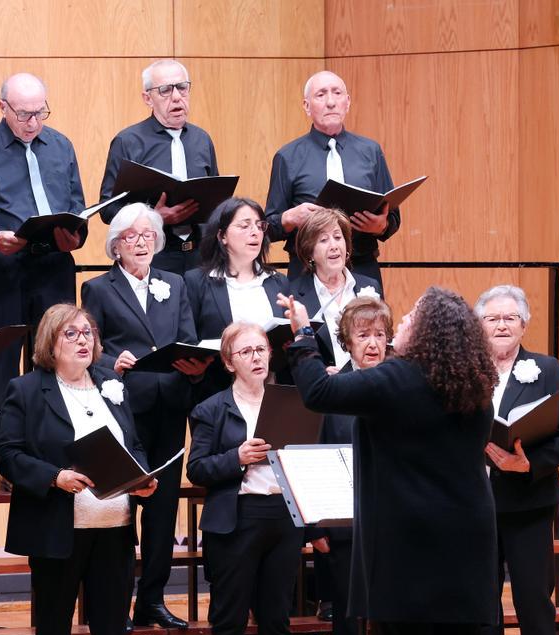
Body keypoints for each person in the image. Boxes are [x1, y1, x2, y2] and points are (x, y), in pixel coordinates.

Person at [279, 287, 498, 635]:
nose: (402, 322)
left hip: (407, 545)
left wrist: (303, 335)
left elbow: (319, 394)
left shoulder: (399, 379)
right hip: (468, 541)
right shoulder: (475, 382)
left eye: (412, 316)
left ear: (426, 332)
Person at [0, 303, 157, 635]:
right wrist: (54, 476)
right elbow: (8, 454)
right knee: (54, 626)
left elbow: (133, 445)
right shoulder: (27, 390)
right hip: (57, 528)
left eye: (88, 333)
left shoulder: (111, 384)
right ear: (50, 342)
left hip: (113, 525)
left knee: (110, 626)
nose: (84, 340)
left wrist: (141, 478)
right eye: (72, 334)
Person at [81, 203, 207, 629]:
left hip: (170, 405)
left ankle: (152, 599)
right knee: (124, 506)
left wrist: (194, 365)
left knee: (163, 508)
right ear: (115, 246)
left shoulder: (176, 283)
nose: (141, 242)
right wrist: (112, 362)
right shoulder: (97, 289)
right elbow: (90, 347)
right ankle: (117, 600)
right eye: (131, 237)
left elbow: (187, 339)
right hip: (125, 408)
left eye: (148, 235)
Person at [186, 322, 310, 635]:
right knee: (230, 617)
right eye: (245, 352)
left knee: (277, 616)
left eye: (261, 350)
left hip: (283, 515)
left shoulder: (292, 402)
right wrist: (236, 457)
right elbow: (198, 468)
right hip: (237, 519)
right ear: (228, 362)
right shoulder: (211, 409)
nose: (256, 357)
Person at [475, 285, 559, 635]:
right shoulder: (466, 369)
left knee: (534, 602)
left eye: (509, 318)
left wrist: (527, 462)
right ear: (479, 326)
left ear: (523, 324)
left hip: (529, 503)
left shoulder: (545, 369)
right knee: (482, 603)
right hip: (475, 505)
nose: (500, 325)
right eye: (492, 318)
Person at [0, 72, 87, 410]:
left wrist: (75, 236)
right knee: (2, 368)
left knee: (58, 356)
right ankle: (9, 453)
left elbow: (77, 205)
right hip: (4, 269)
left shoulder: (61, 145)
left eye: (40, 112)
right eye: (24, 114)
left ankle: (53, 446)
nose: (33, 123)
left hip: (55, 264)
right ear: (3, 107)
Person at [312, 295, 393, 635]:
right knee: (348, 619)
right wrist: (316, 526)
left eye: (380, 335)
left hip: (392, 522)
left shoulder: (399, 387)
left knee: (389, 616)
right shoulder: (332, 391)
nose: (373, 344)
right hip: (342, 525)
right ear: (346, 341)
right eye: (363, 336)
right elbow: (314, 454)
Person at [264, 70, 400, 285]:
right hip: (306, 271)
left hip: (362, 267)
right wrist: (289, 218)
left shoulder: (371, 151)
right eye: (321, 95)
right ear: (307, 106)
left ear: (347, 102)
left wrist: (381, 226)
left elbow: (393, 217)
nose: (330, 102)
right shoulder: (287, 157)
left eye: (337, 93)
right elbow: (268, 227)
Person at [98, 59, 218, 273]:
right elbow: (108, 209)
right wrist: (153, 218)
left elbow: (216, 203)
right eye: (165, 91)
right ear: (147, 98)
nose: (176, 97)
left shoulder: (202, 139)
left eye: (182, 88)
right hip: (152, 257)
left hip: (199, 257)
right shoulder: (128, 142)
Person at [185, 197, 288, 393]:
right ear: (222, 235)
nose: (255, 232)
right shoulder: (197, 282)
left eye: (259, 226)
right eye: (244, 226)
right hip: (218, 390)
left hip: (273, 388)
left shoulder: (278, 281)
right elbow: (189, 340)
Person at [287, 207, 383, 370]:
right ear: (309, 252)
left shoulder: (370, 286)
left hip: (366, 385)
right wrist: (320, 373)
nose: (334, 246)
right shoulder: (294, 294)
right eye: (323, 240)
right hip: (323, 389)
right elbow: (290, 356)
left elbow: (382, 340)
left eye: (338, 237)